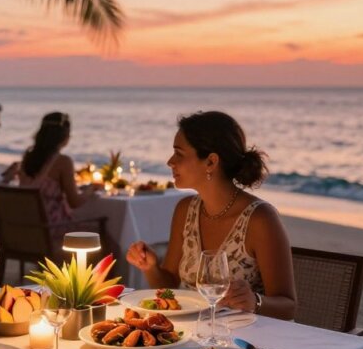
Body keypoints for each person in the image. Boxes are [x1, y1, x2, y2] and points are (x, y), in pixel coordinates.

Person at [126, 111, 297, 320]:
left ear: (211, 162)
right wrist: (150, 267)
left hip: (246, 339)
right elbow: (169, 285)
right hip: (192, 332)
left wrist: (255, 301)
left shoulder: (260, 219)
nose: (170, 161)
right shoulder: (185, 210)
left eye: (179, 153)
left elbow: (288, 305)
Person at [17, 112, 97, 246]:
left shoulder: (27, 158)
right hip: (53, 230)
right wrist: (91, 189)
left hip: (28, 228)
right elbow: (74, 202)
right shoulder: (62, 161)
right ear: (64, 136)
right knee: (106, 239)